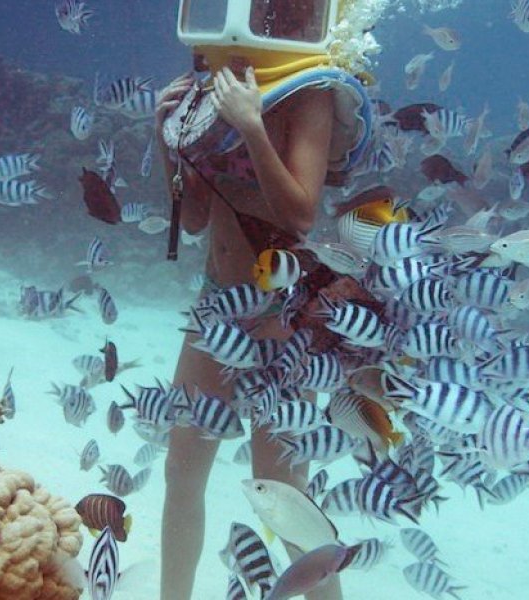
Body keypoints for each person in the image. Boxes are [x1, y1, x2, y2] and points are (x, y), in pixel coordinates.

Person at [154, 1, 374, 598]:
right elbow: (195, 219)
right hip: (216, 301)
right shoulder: (212, 87)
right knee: (181, 473)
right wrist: (165, 136)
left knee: (283, 492)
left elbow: (299, 216)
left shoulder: (310, 93)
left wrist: (251, 126)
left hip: (283, 318)